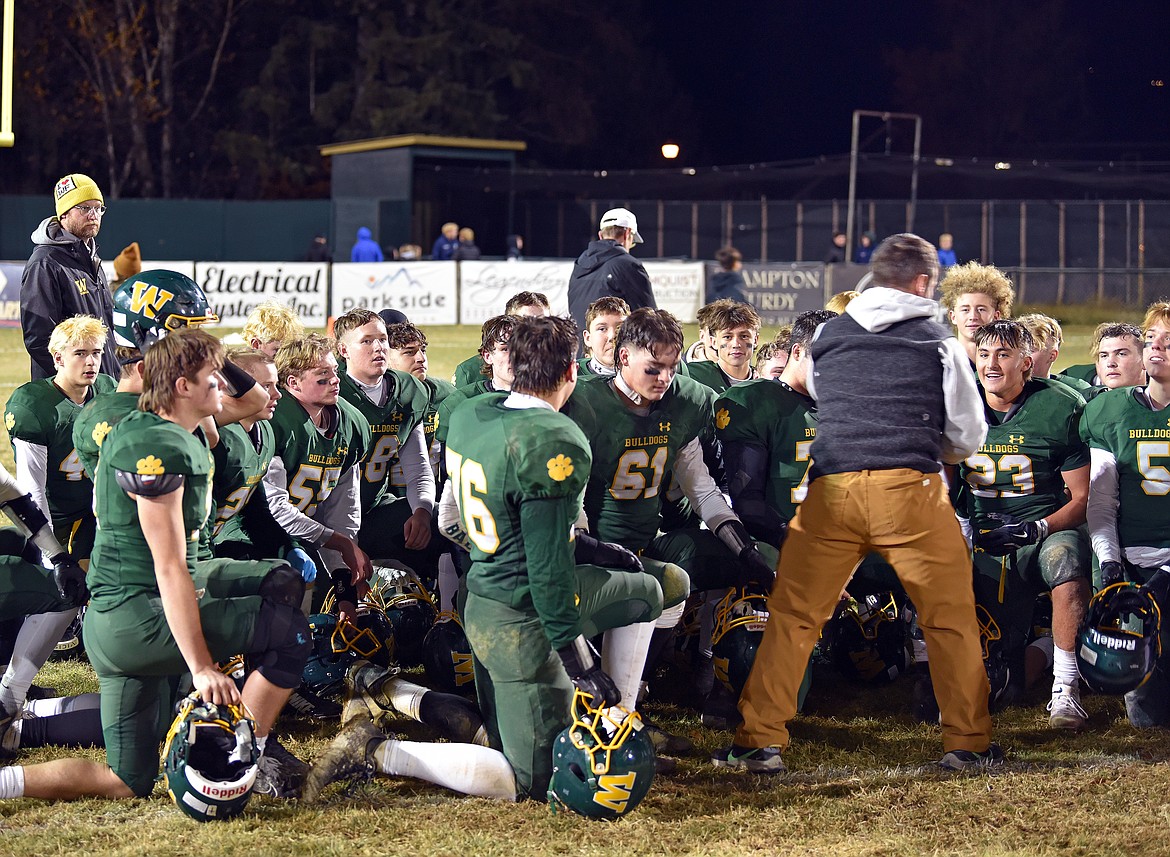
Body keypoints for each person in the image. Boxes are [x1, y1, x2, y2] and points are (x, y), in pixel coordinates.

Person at [302, 315, 661, 803]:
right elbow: (549, 571)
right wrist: (581, 666)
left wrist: (501, 554)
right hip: (524, 619)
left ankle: (393, 692)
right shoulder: (553, 440)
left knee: (652, 588)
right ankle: (379, 752)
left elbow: (450, 517)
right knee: (533, 781)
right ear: (571, 372)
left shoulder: (474, 414)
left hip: (481, 601)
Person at [716, 233, 997, 773]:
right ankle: (967, 743)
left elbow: (831, 399)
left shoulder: (828, 335)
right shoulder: (939, 342)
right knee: (949, 619)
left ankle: (758, 740)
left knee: (794, 616)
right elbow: (965, 437)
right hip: (910, 491)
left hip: (830, 492)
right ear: (923, 282)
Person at [0, 329, 312, 803]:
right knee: (288, 632)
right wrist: (204, 666)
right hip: (138, 612)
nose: (221, 388)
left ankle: (6, 784)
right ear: (183, 387)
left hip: (124, 612)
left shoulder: (165, 426)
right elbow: (169, 567)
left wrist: (207, 351)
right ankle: (240, 750)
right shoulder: (156, 446)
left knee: (126, 780)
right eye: (212, 379)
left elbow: (244, 400)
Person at [959, 320, 1091, 729]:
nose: (992, 364)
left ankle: (1066, 688)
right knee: (1004, 682)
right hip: (980, 541)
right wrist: (960, 533)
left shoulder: (1060, 406)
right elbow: (940, 486)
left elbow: (1082, 499)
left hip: (1041, 534)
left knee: (1067, 560)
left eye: (1003, 354)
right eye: (984, 355)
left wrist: (1036, 528)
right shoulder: (959, 405)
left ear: (1027, 363)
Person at [1082, 302, 1170, 726]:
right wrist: (1111, 564)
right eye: (1152, 337)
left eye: (1169, 340)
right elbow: (1101, 502)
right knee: (1147, 716)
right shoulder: (1109, 410)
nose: (1158, 346)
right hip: (1134, 561)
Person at [264, 334, 373, 622]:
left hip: (306, 532)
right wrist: (339, 543)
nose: (335, 380)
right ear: (293, 383)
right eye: (323, 375)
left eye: (334, 371)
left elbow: (342, 512)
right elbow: (274, 509)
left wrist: (345, 589)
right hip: (256, 532)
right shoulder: (276, 422)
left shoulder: (351, 425)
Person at [6, 315, 117, 561]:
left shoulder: (108, 390)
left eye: (96, 353)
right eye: (80, 353)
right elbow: (32, 486)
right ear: (58, 358)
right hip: (57, 518)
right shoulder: (34, 407)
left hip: (97, 511)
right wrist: (50, 555)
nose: (91, 362)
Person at [20, 174, 120, 380]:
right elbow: (39, 338)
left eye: (98, 208)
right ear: (64, 213)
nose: (93, 215)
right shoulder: (45, 263)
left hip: (101, 386)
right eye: (85, 208)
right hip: (72, 395)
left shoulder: (90, 257)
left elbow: (107, 327)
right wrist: (75, 384)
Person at [567, 208, 656, 343]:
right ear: (627, 234)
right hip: (612, 352)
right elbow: (649, 318)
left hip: (581, 352)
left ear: (601, 235)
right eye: (632, 242)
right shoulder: (628, 264)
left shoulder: (580, 264)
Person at [452, 293, 550, 387]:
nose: (537, 329)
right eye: (527, 322)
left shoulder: (559, 364)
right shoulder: (470, 372)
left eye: (544, 322)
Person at [940, 261, 1015, 363]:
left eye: (981, 309)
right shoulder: (943, 363)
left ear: (996, 316)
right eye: (965, 310)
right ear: (953, 317)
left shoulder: (1008, 365)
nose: (973, 316)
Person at [686, 302, 761, 393]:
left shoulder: (764, 382)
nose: (736, 344)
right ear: (713, 342)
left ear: (756, 340)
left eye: (744, 336)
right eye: (727, 337)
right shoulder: (693, 377)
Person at [578, 296, 630, 380]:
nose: (612, 336)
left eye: (620, 328)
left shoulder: (648, 375)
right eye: (602, 329)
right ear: (588, 338)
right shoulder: (571, 378)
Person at [241, 300, 306, 358]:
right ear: (256, 345)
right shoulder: (237, 370)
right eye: (279, 351)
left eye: (292, 351)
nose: (288, 358)